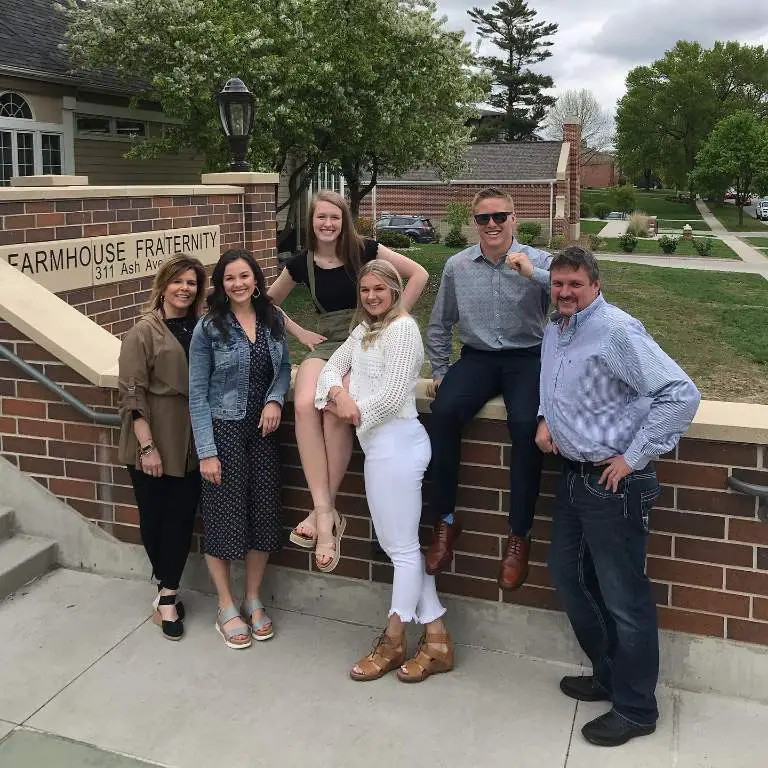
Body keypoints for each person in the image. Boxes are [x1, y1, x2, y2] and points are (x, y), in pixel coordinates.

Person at [537, 246, 700, 747]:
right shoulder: (556, 328)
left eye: (575, 285)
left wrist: (634, 457)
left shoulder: (616, 331)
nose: (564, 292)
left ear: (595, 284)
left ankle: (635, 708)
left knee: (625, 599)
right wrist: (547, 419)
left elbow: (681, 392)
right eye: (558, 283)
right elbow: (558, 383)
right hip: (573, 476)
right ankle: (608, 674)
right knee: (568, 574)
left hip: (615, 484)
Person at [268, 190, 428, 572]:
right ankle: (326, 512)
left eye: (334, 218)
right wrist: (301, 332)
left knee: (333, 409)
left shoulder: (365, 249)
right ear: (311, 222)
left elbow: (418, 273)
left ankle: (323, 517)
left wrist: (391, 318)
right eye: (320, 217)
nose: (327, 224)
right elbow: (267, 302)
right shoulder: (300, 263)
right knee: (305, 401)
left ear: (344, 220)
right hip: (325, 344)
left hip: (362, 341)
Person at [316, 259, 453, 683]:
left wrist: (353, 413)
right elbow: (326, 371)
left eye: (380, 290)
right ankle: (438, 640)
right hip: (378, 447)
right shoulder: (364, 331)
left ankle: (393, 641)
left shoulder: (403, 330)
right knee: (404, 549)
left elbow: (394, 397)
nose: (372, 297)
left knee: (403, 553)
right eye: (365, 291)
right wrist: (340, 395)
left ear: (395, 291)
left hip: (398, 446)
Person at [424, 187, 552, 589]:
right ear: (474, 223)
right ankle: (445, 522)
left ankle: (519, 536)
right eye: (484, 218)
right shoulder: (458, 266)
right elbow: (440, 322)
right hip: (478, 358)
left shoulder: (539, 261)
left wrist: (533, 274)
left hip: (527, 357)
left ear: (514, 219)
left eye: (500, 216)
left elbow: (577, 295)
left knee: (523, 425)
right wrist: (441, 369)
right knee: (443, 413)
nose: (492, 224)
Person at [189, 249, 291, 649]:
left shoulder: (273, 319)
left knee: (263, 514)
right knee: (222, 518)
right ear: (221, 284)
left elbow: (282, 369)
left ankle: (252, 597)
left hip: (263, 433)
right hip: (223, 430)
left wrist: (275, 400)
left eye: (244, 276)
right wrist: (206, 451)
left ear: (256, 279)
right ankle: (226, 604)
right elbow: (197, 393)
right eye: (229, 278)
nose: (238, 284)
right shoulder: (209, 327)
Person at [118, 253, 207, 641]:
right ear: (163, 285)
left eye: (191, 282)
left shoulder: (203, 327)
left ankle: (167, 596)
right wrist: (147, 447)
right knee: (154, 518)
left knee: (181, 518)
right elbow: (132, 393)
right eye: (178, 281)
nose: (185, 288)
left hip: (192, 438)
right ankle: (166, 589)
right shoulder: (143, 331)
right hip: (154, 435)